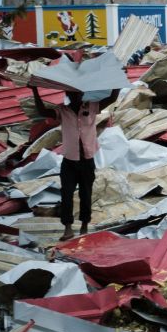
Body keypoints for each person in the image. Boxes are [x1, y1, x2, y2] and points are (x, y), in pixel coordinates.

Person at [31, 86, 119, 240]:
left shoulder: (92, 106)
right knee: (66, 194)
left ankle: (84, 227)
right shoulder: (63, 111)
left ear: (82, 93)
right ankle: (68, 228)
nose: (75, 96)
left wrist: (117, 82)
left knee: (86, 194)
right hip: (70, 160)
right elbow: (42, 112)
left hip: (87, 160)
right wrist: (34, 91)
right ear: (68, 94)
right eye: (72, 93)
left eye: (77, 93)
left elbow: (111, 99)